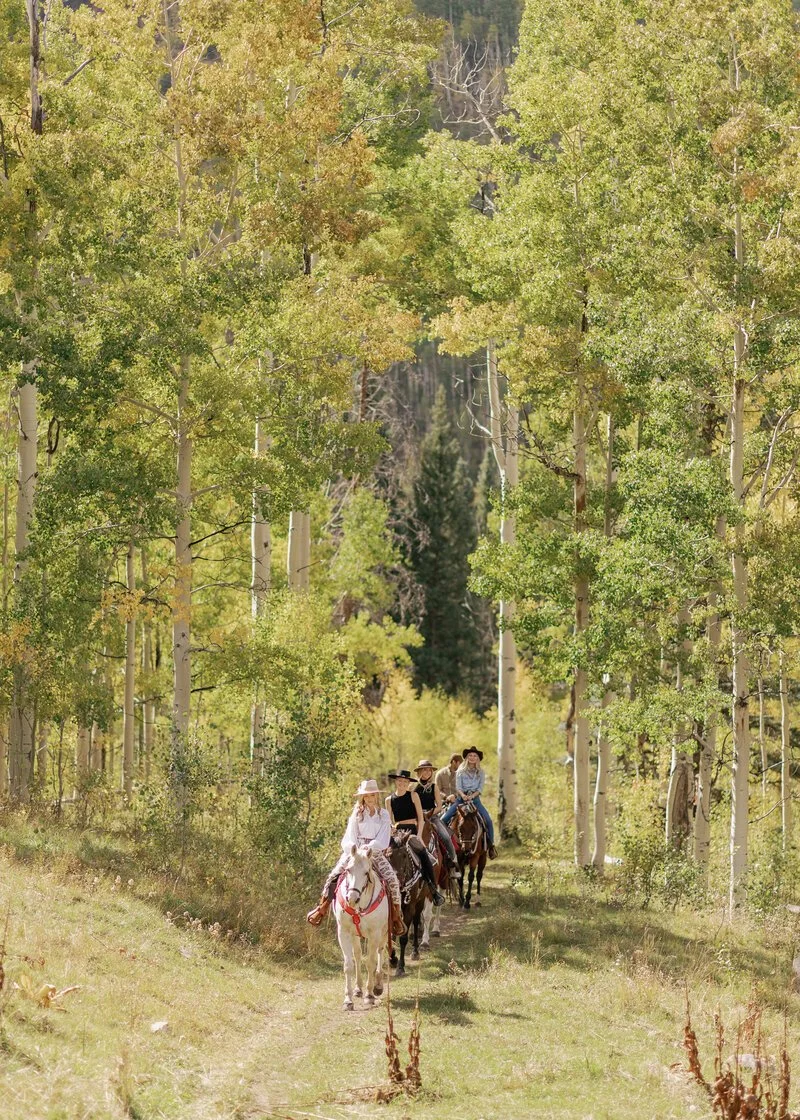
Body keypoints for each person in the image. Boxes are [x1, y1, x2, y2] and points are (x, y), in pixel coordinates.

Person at [306, 779, 406, 934]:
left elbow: (383, 838)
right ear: (363, 797)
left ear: (376, 796)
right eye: (367, 796)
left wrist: (370, 847)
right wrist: (353, 848)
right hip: (355, 850)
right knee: (334, 875)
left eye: (372, 795)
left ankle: (395, 917)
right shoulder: (356, 813)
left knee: (392, 878)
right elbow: (349, 835)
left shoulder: (384, 815)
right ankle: (322, 908)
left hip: (374, 852)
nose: (370, 798)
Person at [386, 770, 445, 905]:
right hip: (397, 831)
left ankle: (433, 889)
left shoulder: (413, 795)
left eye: (405, 782)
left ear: (408, 783)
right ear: (396, 782)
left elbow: (421, 818)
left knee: (423, 854)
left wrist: (418, 835)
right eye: (400, 781)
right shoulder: (388, 800)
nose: (402, 784)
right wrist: (391, 834)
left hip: (412, 830)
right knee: (386, 855)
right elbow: (389, 822)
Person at [440, 747, 498, 859]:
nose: (472, 758)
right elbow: (458, 787)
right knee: (443, 819)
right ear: (466, 757)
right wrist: (463, 796)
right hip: (461, 798)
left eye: (475, 756)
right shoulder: (460, 772)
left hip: (475, 800)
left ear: (478, 759)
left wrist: (472, 796)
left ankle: (491, 846)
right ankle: (443, 844)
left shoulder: (481, 772)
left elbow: (480, 789)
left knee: (488, 821)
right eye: (470, 755)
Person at [412, 759, 459, 877]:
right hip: (417, 818)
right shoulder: (413, 787)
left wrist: (429, 813)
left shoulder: (434, 787)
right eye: (425, 770)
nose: (427, 772)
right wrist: (419, 814)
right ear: (420, 772)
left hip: (432, 816)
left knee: (446, 837)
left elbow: (438, 805)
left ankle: (454, 864)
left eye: (429, 770)